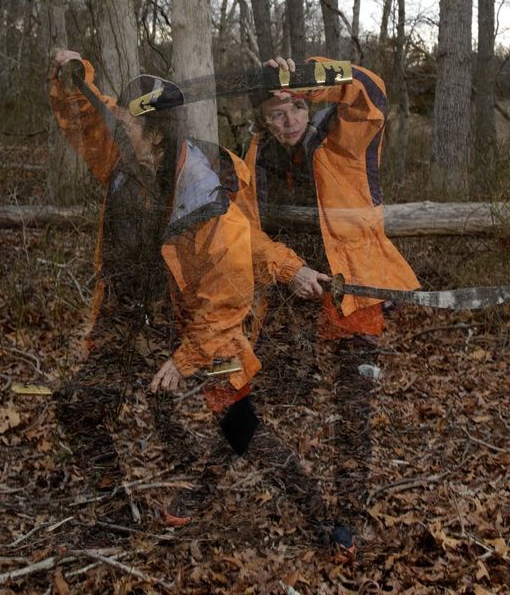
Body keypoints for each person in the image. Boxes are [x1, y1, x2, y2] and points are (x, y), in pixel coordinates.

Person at [49, 50, 335, 548]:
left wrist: (185, 359)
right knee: (79, 407)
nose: (119, 127)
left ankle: (321, 517)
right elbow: (89, 119)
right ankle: (117, 512)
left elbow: (226, 293)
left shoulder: (203, 193)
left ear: (155, 133)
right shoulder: (123, 157)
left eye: (129, 122)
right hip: (128, 319)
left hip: (194, 320)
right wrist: (70, 76)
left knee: (238, 422)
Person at [240, 55, 420, 560]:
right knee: (250, 401)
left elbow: (373, 91)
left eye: (296, 107)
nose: (289, 121)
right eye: (276, 114)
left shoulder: (343, 135)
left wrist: (310, 74)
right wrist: (286, 268)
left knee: (352, 411)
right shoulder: (256, 156)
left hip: (354, 292)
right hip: (289, 296)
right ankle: (302, 500)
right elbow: (245, 232)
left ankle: (347, 520)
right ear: (262, 120)